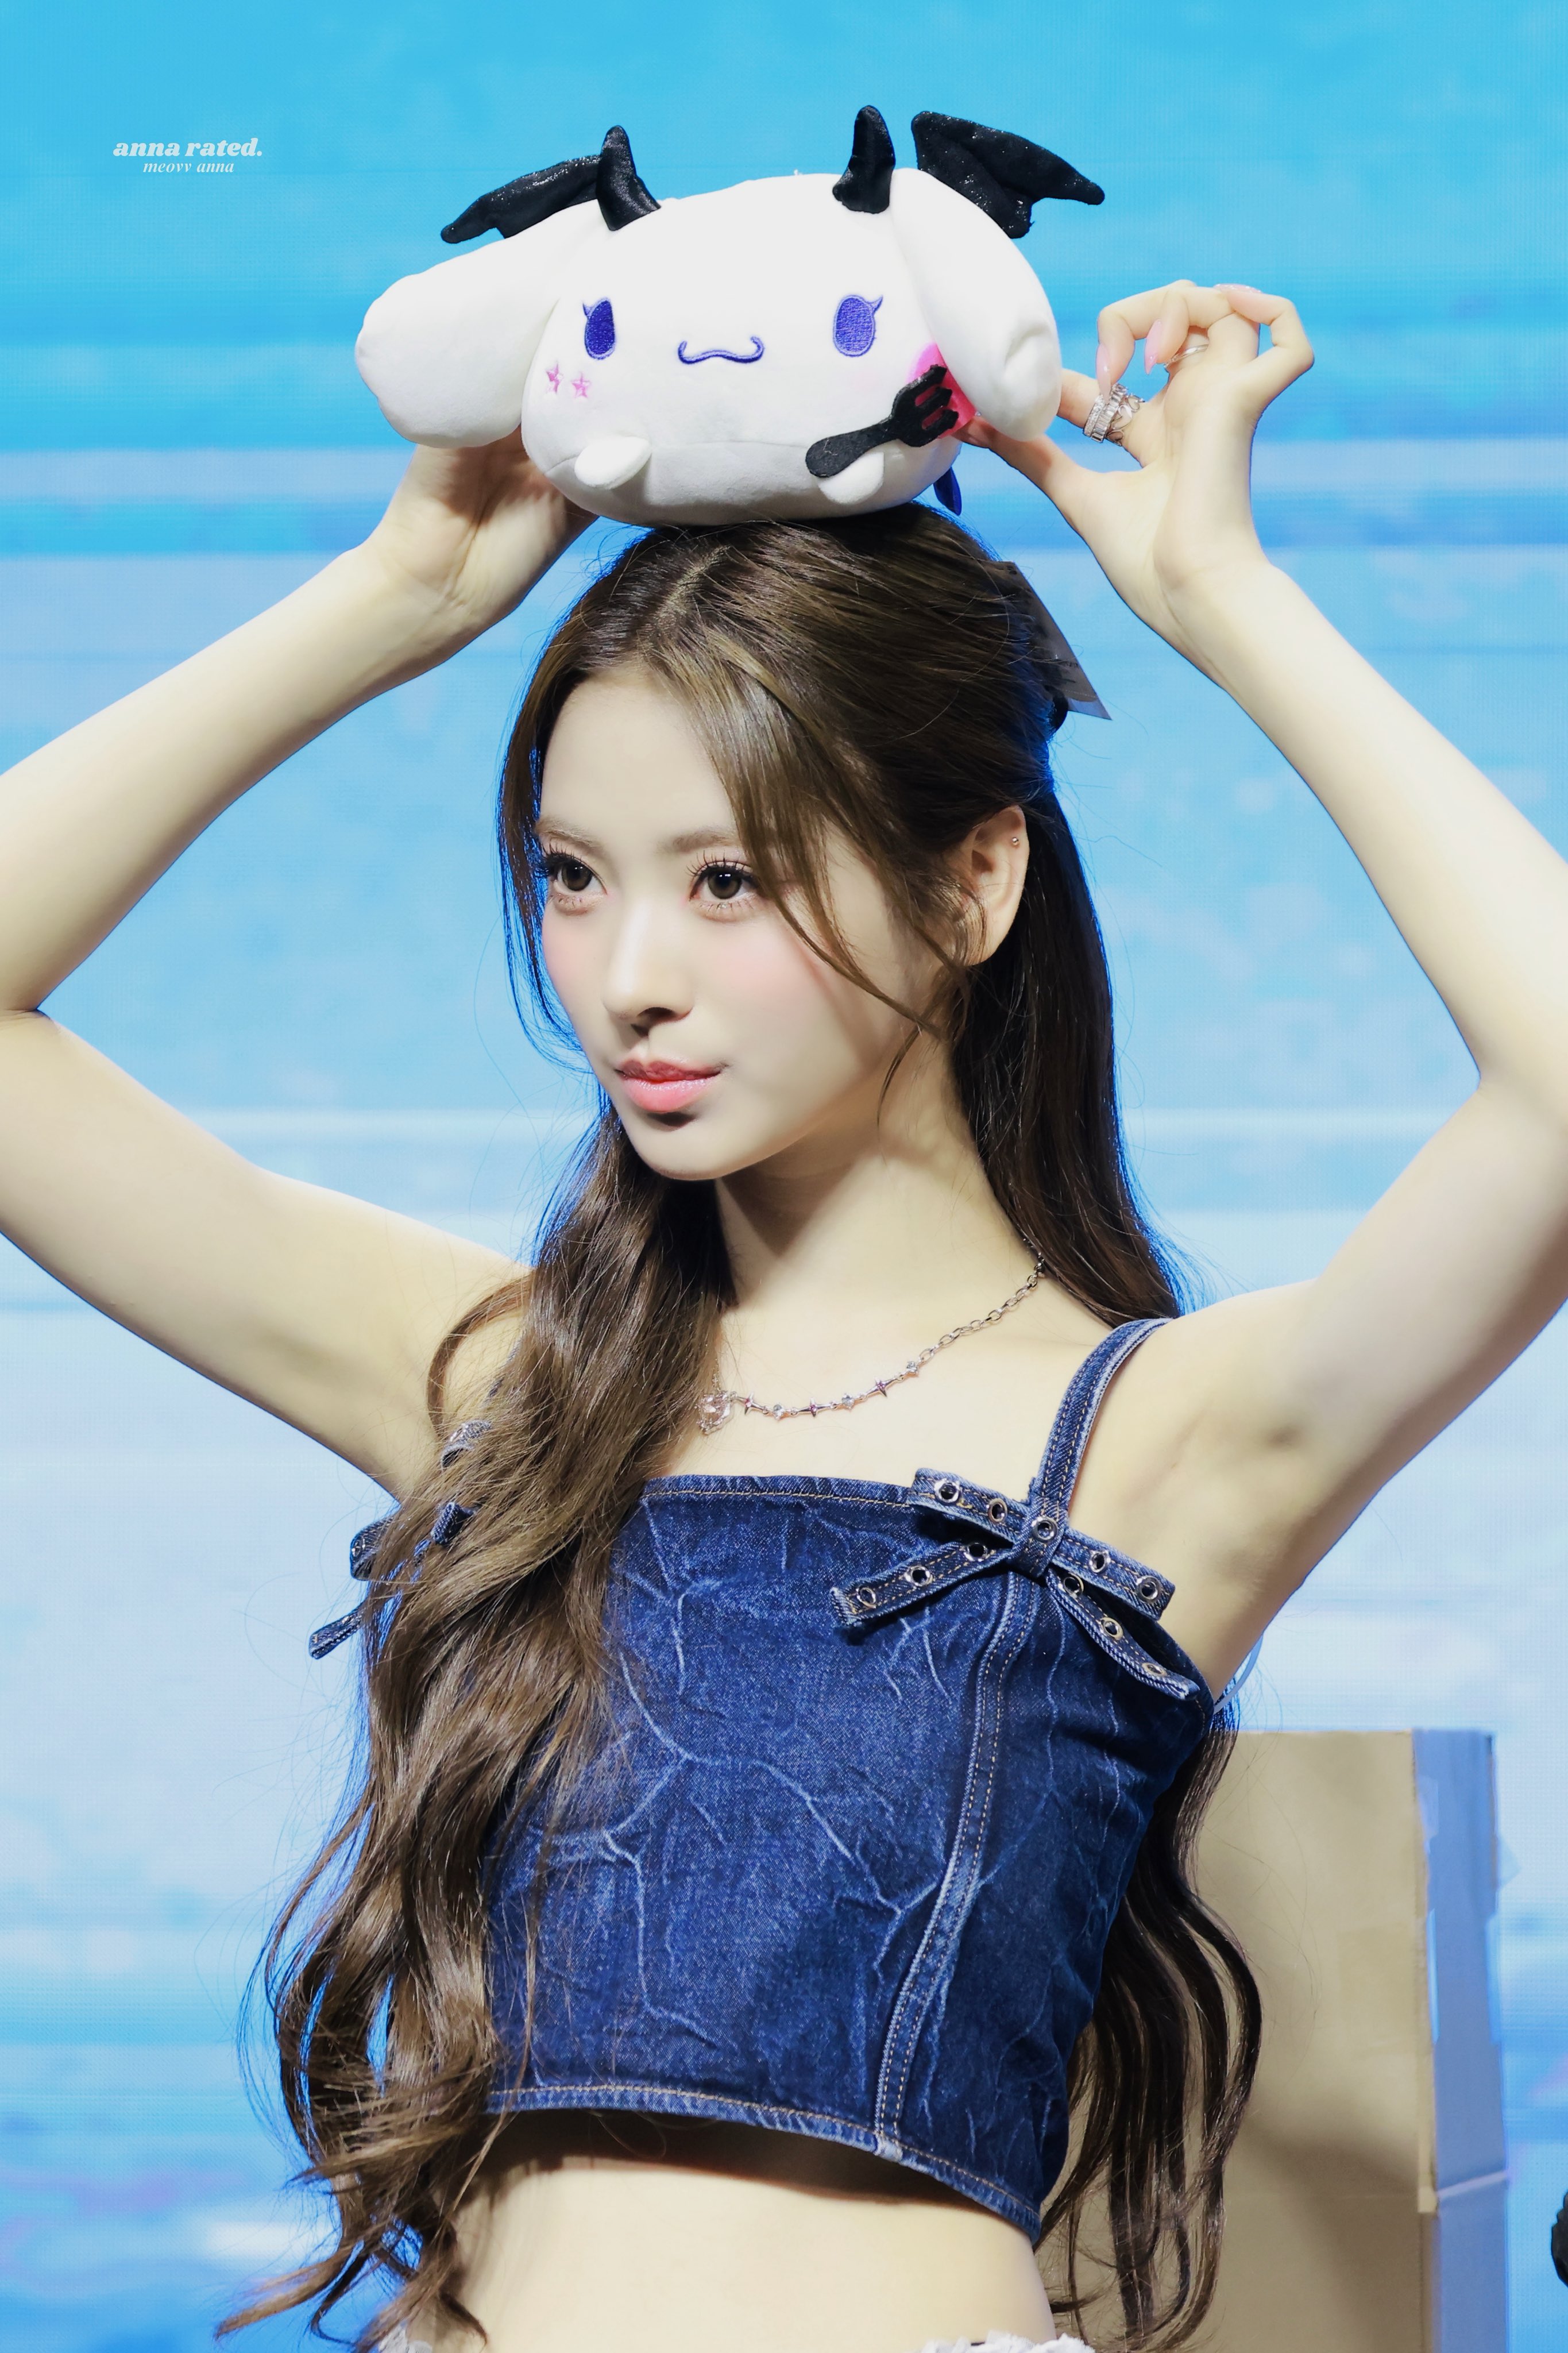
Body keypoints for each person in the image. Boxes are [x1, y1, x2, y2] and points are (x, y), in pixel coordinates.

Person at [1, 276, 1562, 2353]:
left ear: (973, 884)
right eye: (572, 876)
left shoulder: (1169, 1445)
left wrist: (1222, 597)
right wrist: (392, 600)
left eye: (724, 881)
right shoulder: (506, 1386)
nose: (625, 975)